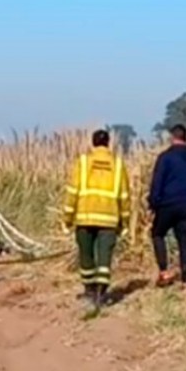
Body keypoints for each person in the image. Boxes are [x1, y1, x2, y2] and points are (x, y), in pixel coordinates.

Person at [62, 129, 131, 309]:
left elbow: (72, 193)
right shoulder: (117, 165)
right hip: (109, 219)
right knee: (104, 259)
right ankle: (102, 292)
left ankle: (89, 290)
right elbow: (124, 196)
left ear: (93, 143)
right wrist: (124, 222)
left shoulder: (83, 163)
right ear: (108, 143)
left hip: (84, 218)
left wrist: (67, 219)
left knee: (86, 256)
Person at [147, 124, 186, 287]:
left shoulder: (166, 157)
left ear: (172, 137)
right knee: (185, 239)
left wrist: (153, 203)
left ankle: (164, 272)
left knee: (158, 234)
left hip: (167, 204)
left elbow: (157, 182)